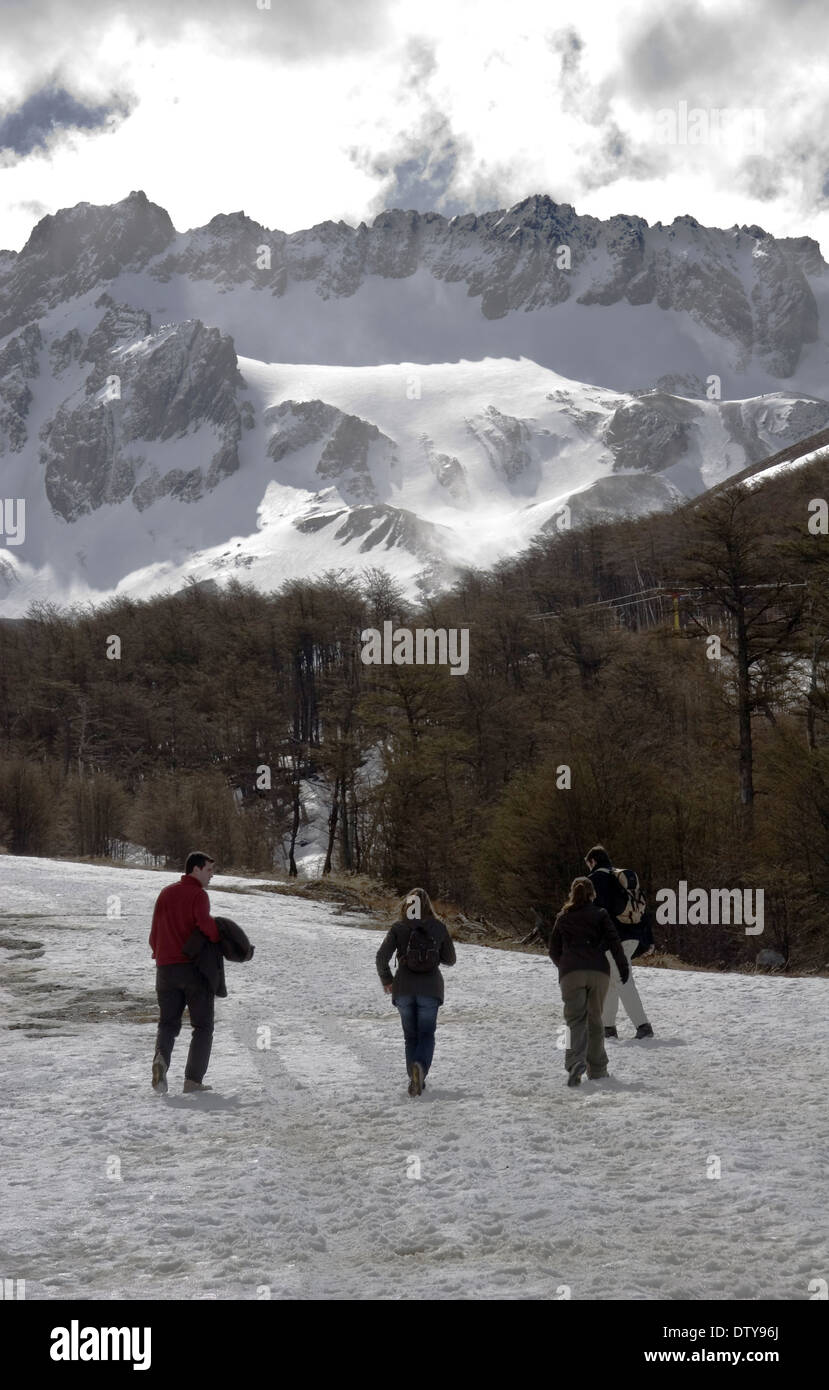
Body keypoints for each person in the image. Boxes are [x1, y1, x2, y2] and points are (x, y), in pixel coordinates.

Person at [149, 851, 220, 1095]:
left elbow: (154, 932)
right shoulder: (198, 895)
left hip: (165, 969)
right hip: (192, 970)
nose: (212, 875)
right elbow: (207, 928)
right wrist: (221, 937)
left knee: (167, 1023)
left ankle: (161, 1060)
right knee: (202, 1026)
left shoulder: (166, 892)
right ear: (196, 869)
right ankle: (193, 1081)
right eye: (209, 870)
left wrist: (161, 954)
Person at [549, 877, 629, 1087]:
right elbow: (615, 943)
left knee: (575, 1020)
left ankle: (575, 1062)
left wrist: (565, 966)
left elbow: (553, 950)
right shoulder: (601, 915)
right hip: (598, 972)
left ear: (572, 893)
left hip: (571, 973)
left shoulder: (563, 917)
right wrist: (623, 968)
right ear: (593, 894)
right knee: (595, 1019)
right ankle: (598, 1070)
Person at [376, 887, 456, 1096]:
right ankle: (419, 1067)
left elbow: (381, 957)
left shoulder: (399, 927)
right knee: (426, 1033)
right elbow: (450, 960)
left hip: (403, 988)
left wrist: (387, 979)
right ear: (428, 905)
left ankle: (414, 1077)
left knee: (410, 1036)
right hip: (430, 989)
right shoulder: (438, 927)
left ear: (407, 904)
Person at [585, 845, 654, 1039]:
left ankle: (643, 1025)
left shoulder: (595, 880)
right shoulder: (621, 878)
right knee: (612, 981)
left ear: (593, 861)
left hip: (613, 940)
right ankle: (607, 1027)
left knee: (623, 980)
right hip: (633, 936)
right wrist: (649, 939)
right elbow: (643, 908)